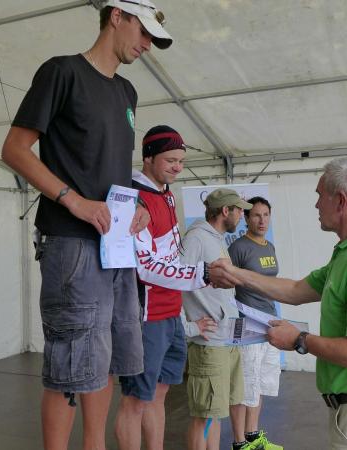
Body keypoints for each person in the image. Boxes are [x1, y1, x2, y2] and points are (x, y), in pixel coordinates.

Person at [0, 2, 172, 449]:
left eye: (153, 38)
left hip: (116, 247)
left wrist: (135, 204)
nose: (147, 45)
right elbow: (14, 149)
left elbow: (109, 167)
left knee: (106, 359)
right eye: (143, 32)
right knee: (69, 368)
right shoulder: (62, 72)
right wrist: (72, 200)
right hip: (71, 244)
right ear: (116, 15)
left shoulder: (127, 92)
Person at [209, 156, 347, 450]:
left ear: (341, 201)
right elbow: (296, 290)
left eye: (320, 195)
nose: (316, 204)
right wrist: (235, 274)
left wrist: (300, 340)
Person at [114, 126, 218, 450]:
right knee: (136, 399)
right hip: (146, 315)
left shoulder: (167, 194)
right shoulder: (134, 198)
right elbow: (145, 268)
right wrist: (202, 273)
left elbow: (169, 255)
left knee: (159, 394)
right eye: (170, 160)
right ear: (148, 158)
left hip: (171, 312)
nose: (177, 167)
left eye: (181, 161)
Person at [180, 188, 251, 450]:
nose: (242, 215)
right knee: (204, 416)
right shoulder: (196, 239)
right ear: (225, 211)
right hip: (208, 344)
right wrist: (189, 327)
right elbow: (171, 282)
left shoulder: (216, 239)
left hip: (227, 339)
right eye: (239, 210)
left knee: (215, 413)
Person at [227, 197, 283, 450]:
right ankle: (239, 442)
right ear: (247, 219)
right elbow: (224, 285)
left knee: (259, 382)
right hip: (247, 324)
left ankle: (252, 436)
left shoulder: (270, 246)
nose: (262, 220)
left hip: (270, 322)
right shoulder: (238, 247)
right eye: (257, 215)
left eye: (266, 215)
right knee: (244, 384)